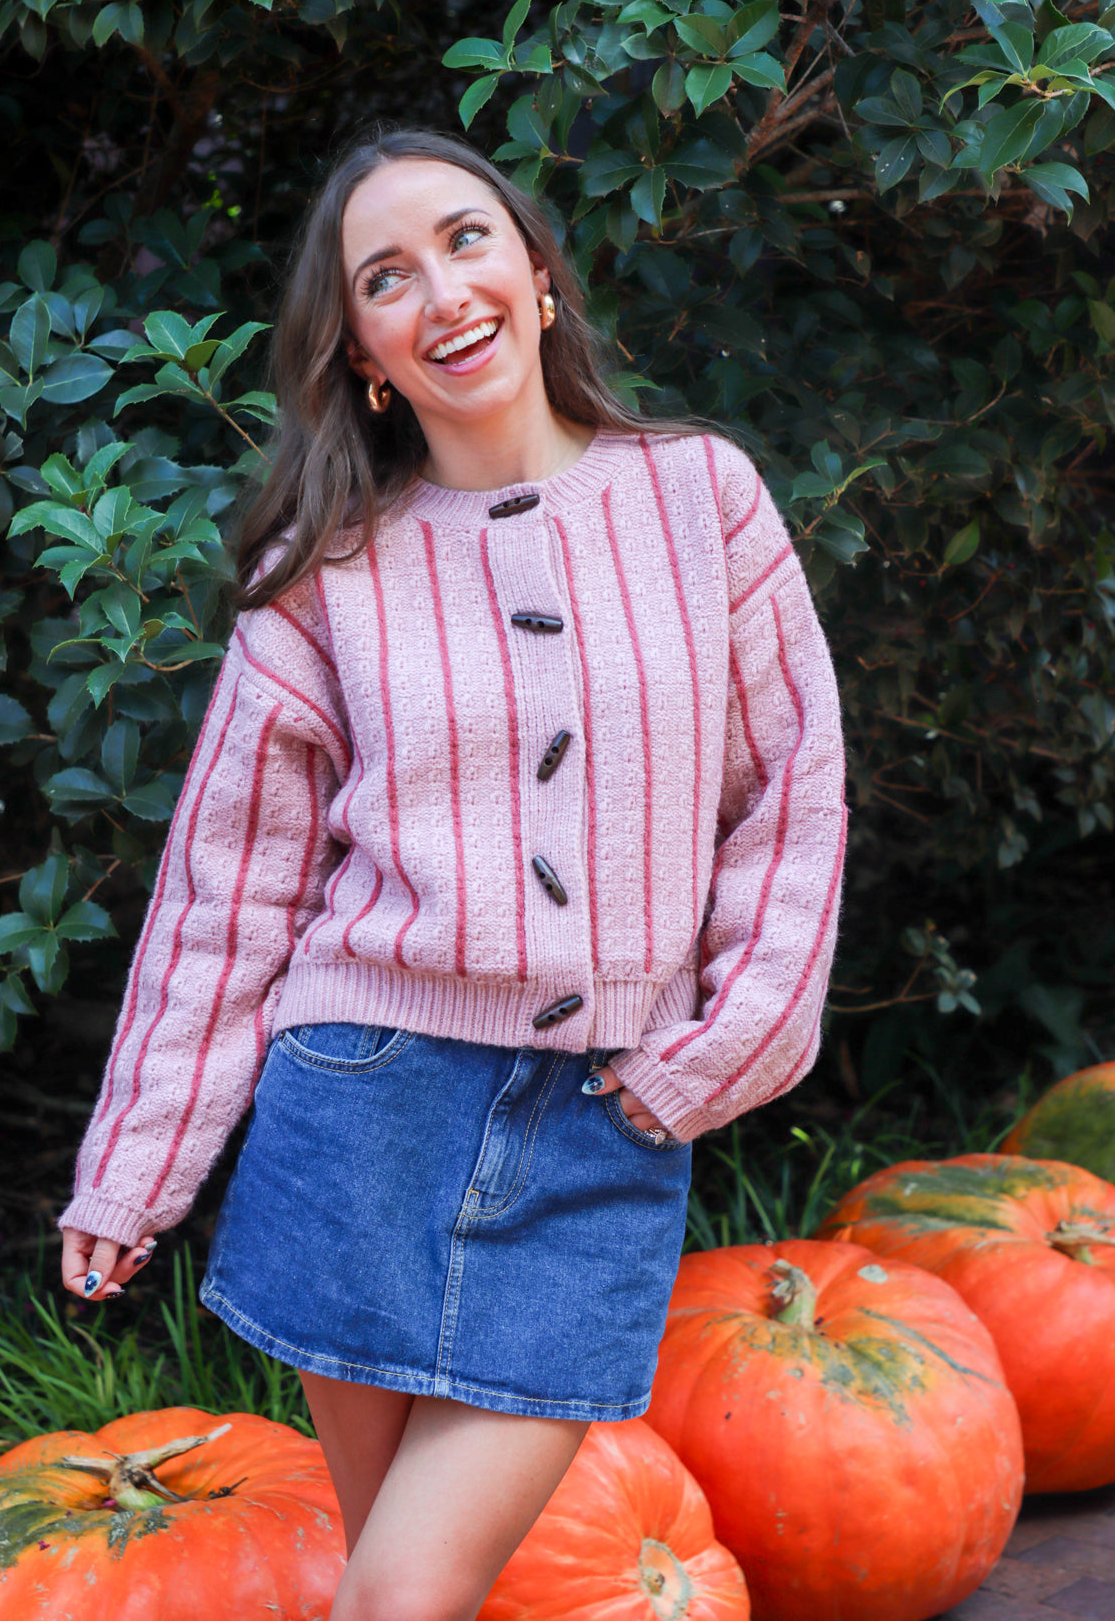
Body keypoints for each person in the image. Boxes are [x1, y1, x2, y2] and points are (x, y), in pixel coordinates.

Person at [58, 126, 847, 1621]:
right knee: (401, 1597)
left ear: (537, 277)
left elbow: (789, 791)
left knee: (400, 1595)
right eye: (387, 277)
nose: (443, 291)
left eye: (467, 240)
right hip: (360, 1110)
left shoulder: (701, 501)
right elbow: (226, 896)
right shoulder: (323, 568)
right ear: (361, 352)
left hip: (606, 1118)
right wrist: (135, 1167)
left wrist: (730, 1044)